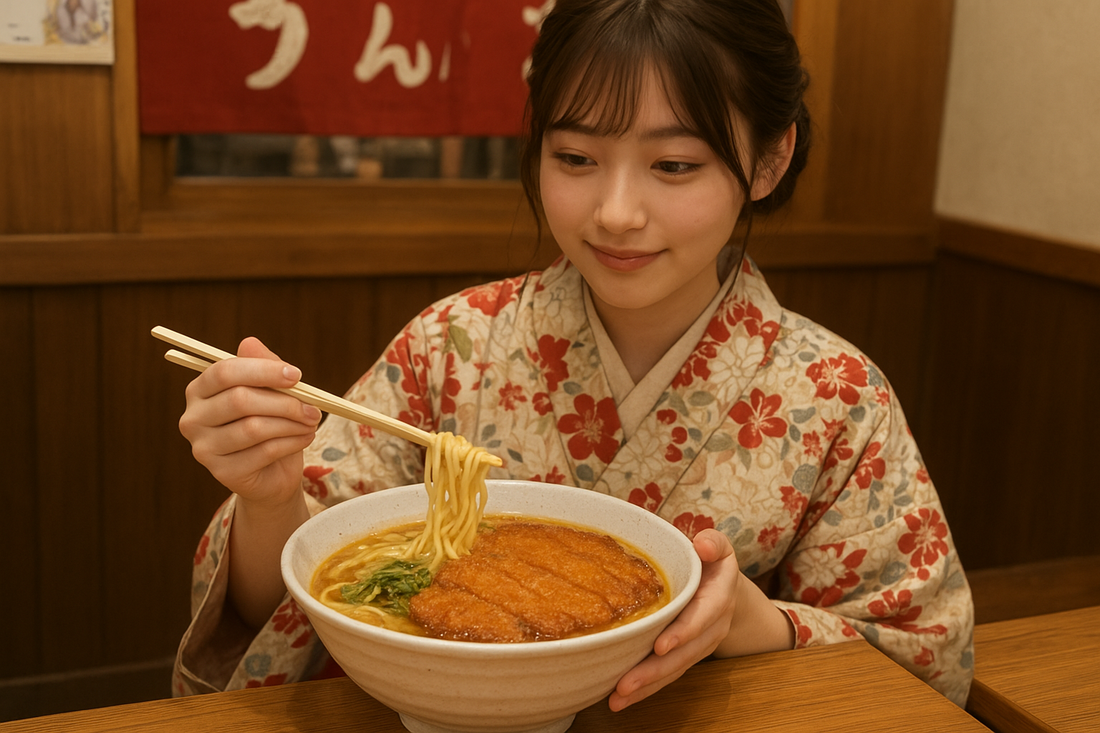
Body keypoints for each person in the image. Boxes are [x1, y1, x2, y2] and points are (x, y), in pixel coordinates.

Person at [172, 0, 974, 710]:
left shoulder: (835, 395)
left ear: (768, 159)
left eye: (675, 165)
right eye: (576, 159)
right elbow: (288, 597)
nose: (616, 212)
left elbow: (925, 658)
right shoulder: (451, 343)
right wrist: (270, 496)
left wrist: (750, 621)